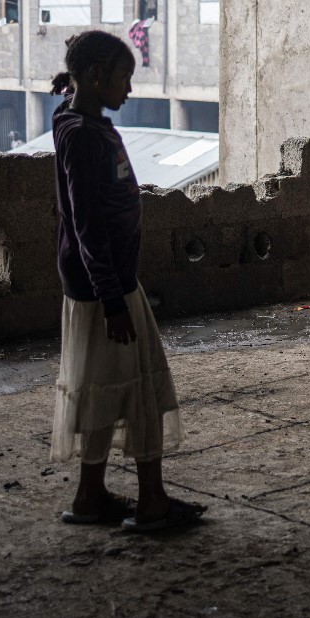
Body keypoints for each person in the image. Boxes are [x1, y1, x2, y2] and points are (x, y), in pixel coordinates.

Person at [48, 30, 204, 532]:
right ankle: (150, 501)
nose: (129, 90)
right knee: (139, 388)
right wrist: (113, 298)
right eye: (124, 78)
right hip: (106, 286)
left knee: (102, 387)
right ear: (96, 76)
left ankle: (91, 495)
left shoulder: (81, 121)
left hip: (106, 282)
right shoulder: (80, 134)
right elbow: (86, 221)